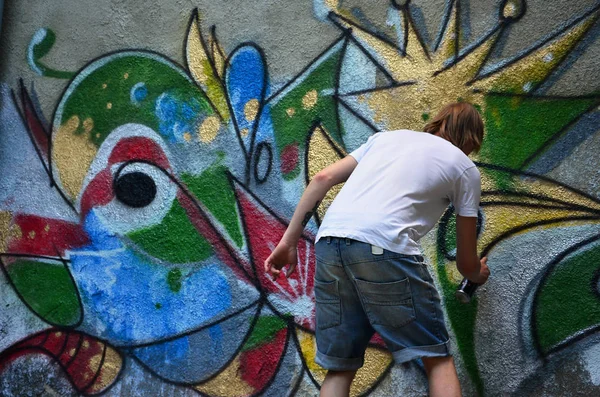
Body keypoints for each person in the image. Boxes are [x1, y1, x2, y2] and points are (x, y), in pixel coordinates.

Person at [264, 102, 490, 397]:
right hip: (385, 248)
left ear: (439, 122)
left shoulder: (385, 139)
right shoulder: (464, 168)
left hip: (330, 244)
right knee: (437, 359)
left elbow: (322, 178)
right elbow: (465, 263)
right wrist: (479, 273)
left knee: (340, 367)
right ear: (471, 140)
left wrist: (288, 241)